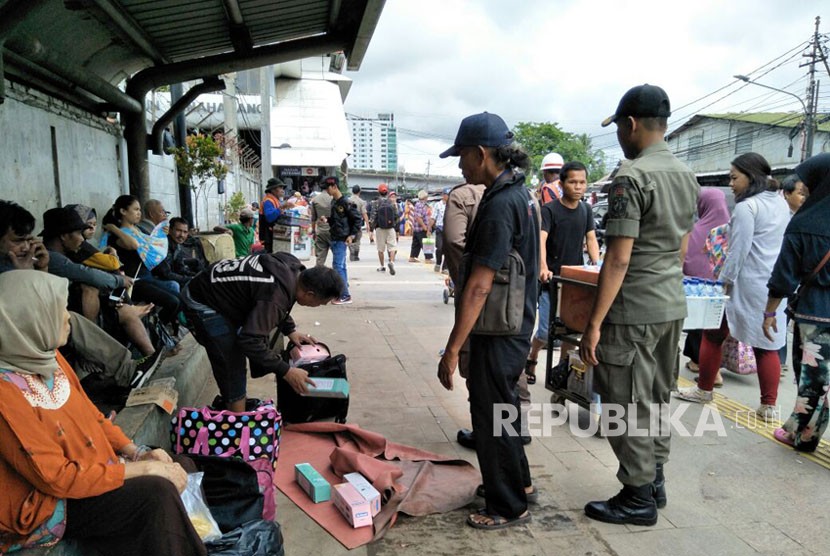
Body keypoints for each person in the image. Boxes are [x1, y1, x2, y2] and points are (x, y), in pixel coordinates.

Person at [0, 270, 205, 556]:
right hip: (50, 502)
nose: (69, 317)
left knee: (178, 463)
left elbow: (93, 417)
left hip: (90, 468)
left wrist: (137, 452)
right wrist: (143, 468)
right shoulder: (5, 395)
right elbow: (56, 479)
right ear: (28, 320)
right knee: (156, 492)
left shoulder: (49, 358)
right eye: (58, 309)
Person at [579, 84, 698, 526]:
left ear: (630, 124)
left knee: (624, 401)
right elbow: (682, 248)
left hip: (633, 309)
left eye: (619, 128)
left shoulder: (632, 176)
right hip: (670, 303)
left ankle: (636, 497)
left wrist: (594, 323)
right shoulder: (686, 176)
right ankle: (654, 480)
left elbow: (619, 256)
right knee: (655, 398)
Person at [437, 112, 539, 530]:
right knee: (505, 410)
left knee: (491, 413)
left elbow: (479, 286)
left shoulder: (499, 205)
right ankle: (520, 484)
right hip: (514, 324)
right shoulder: (520, 194)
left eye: (462, 156)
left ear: (481, 154)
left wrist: (453, 347)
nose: (459, 165)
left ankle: (507, 505)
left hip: (499, 330)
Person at [676, 152, 788, 422]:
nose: (731, 183)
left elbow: (738, 251)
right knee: (766, 344)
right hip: (771, 284)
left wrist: (723, 282)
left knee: (713, 334)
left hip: (743, 284)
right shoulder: (780, 203)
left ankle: (704, 390)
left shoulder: (748, 207)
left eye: (734, 177)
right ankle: (769, 406)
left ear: (751, 177)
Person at [181, 253, 343, 413]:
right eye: (321, 303)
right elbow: (250, 340)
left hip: (212, 286)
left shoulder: (291, 267)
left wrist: (290, 330)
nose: (319, 306)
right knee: (231, 362)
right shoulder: (275, 296)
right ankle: (237, 425)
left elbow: (269, 299)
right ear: (310, 295)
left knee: (241, 346)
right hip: (201, 300)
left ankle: (235, 409)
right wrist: (287, 371)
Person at [764, 153, 830, 451]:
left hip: (815, 313)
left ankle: (802, 434)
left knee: (812, 379)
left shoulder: (805, 222)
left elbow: (783, 277)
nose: (802, 192)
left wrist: (769, 312)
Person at [42, 207, 158, 360]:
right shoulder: (52, 258)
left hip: (79, 313)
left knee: (126, 311)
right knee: (91, 288)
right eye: (78, 233)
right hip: (67, 320)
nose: (82, 239)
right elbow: (88, 274)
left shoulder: (67, 253)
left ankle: (151, 357)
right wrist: (120, 281)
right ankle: (96, 347)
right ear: (64, 236)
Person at [528, 161, 600, 385]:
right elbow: (542, 239)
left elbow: (591, 238)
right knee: (544, 332)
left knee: (571, 329)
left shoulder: (586, 209)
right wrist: (543, 267)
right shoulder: (550, 210)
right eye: (573, 182)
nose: (578, 187)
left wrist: (596, 264)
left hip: (575, 280)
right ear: (562, 183)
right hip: (552, 279)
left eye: (582, 182)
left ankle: (562, 371)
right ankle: (532, 358)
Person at [442, 181, 486, 450]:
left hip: (477, 292)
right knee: (508, 370)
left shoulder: (462, 195)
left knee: (474, 364)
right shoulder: (525, 196)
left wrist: (465, 279)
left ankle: (485, 431)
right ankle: (517, 427)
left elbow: (453, 241)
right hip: (517, 302)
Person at [101, 195, 181, 325]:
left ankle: (158, 329)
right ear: (123, 211)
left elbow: (151, 247)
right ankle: (157, 333)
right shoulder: (118, 234)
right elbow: (134, 245)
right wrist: (113, 228)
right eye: (135, 209)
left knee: (180, 300)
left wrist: (161, 235)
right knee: (173, 302)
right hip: (134, 282)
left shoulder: (137, 230)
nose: (139, 213)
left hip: (147, 278)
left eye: (139, 210)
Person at [681, 188, 730, 374]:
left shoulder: (696, 229)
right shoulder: (731, 228)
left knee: (697, 324)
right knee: (716, 328)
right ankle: (713, 368)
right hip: (723, 287)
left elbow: (687, 259)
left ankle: (699, 363)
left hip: (698, 288)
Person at [324, 177, 361, 305]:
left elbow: (357, 219)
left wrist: (352, 235)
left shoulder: (345, 202)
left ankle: (345, 295)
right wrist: (327, 220)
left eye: (327, 188)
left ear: (334, 187)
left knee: (338, 267)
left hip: (341, 239)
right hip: (335, 237)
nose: (326, 191)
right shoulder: (334, 202)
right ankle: (343, 292)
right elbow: (338, 220)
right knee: (341, 267)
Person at [371, 183, 400, 275]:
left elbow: (373, 217)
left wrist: (372, 228)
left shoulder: (375, 203)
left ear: (378, 192)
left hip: (380, 228)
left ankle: (382, 266)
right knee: (392, 247)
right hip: (390, 228)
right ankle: (391, 262)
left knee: (380, 249)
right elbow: (397, 216)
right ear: (387, 192)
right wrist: (393, 225)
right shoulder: (392, 202)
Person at [310, 179, 334, 266]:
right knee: (337, 255)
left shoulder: (315, 200)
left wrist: (313, 231)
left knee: (320, 257)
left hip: (320, 230)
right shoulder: (333, 199)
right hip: (333, 231)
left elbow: (313, 218)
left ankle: (317, 275)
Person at [259, 178, 286, 253]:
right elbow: (270, 217)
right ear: (273, 189)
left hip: (272, 234)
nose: (282, 190)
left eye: (282, 188)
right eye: (280, 187)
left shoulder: (275, 200)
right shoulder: (268, 201)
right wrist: (283, 207)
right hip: (268, 236)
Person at [348, 185, 370, 261]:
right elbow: (364, 213)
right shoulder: (362, 202)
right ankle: (355, 255)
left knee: (350, 237)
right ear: (359, 192)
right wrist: (367, 224)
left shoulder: (347, 200)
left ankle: (351, 248)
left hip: (348, 223)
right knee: (357, 239)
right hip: (357, 223)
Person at [409, 190, 431, 262]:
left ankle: (412, 257)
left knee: (416, 243)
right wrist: (424, 226)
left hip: (417, 228)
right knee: (427, 242)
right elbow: (418, 217)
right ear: (424, 197)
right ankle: (428, 258)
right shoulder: (420, 205)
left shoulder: (421, 204)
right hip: (421, 228)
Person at [431, 188, 450, 272]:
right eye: (447, 195)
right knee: (439, 248)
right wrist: (429, 228)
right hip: (439, 229)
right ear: (443, 195)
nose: (448, 196)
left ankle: (445, 267)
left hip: (449, 230)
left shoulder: (453, 205)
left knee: (448, 249)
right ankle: (438, 263)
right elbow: (433, 217)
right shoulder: (437, 205)